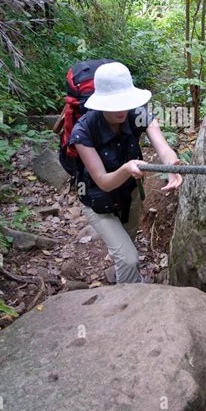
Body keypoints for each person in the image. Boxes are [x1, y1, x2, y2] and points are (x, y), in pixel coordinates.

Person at [68, 61, 183, 284]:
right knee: (129, 259)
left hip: (129, 195)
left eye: (124, 102)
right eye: (114, 104)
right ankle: (129, 303)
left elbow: (162, 146)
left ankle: (124, 278)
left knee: (127, 246)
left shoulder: (136, 114)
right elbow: (103, 182)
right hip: (97, 201)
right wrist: (127, 167)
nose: (121, 109)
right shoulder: (83, 131)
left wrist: (171, 166)